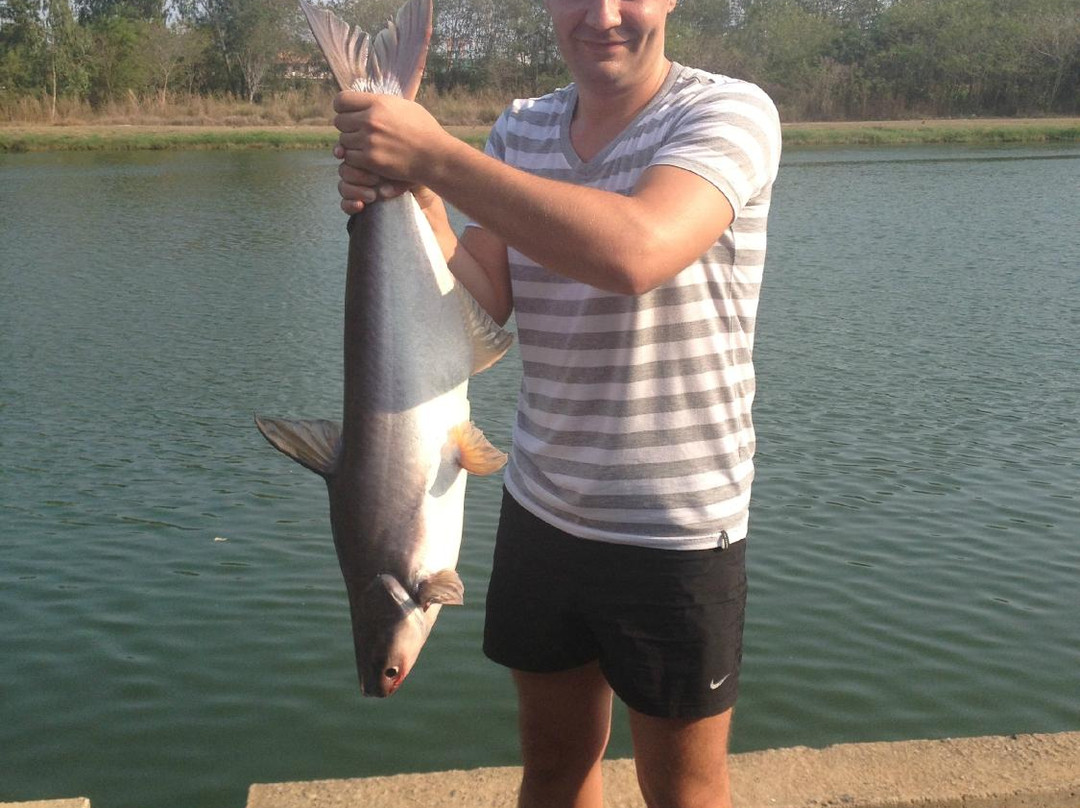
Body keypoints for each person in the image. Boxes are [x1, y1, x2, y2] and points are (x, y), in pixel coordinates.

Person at [331, 0, 781, 805]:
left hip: (672, 523)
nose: (603, 14)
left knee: (683, 789)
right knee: (553, 769)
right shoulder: (523, 131)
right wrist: (410, 196)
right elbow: (483, 295)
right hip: (542, 510)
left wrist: (436, 156)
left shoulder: (728, 111)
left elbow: (636, 250)